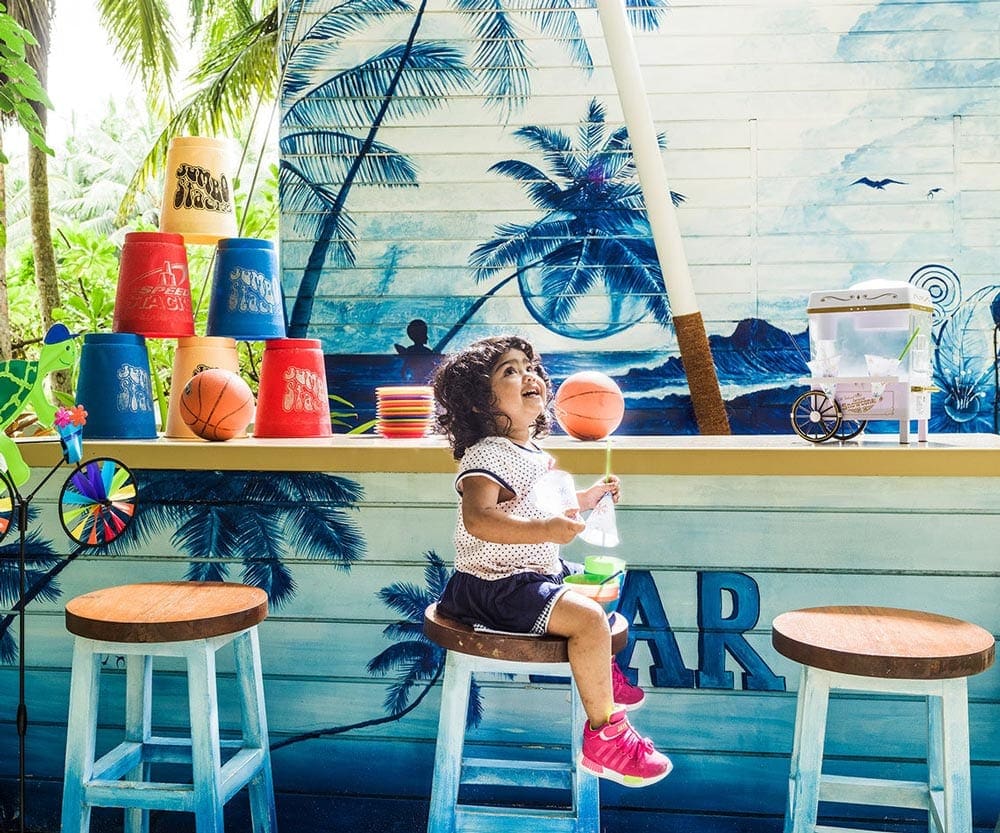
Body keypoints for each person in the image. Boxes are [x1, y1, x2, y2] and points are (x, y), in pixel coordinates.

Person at [432, 335, 672, 788]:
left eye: (530, 366)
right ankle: (605, 735)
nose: (528, 375)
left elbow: (540, 505)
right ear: (479, 404)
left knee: (600, 584)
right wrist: (546, 531)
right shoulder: (487, 454)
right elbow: (479, 518)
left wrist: (587, 498)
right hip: (494, 585)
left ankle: (599, 673)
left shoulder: (531, 453)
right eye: (509, 371)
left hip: (531, 574)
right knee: (586, 618)